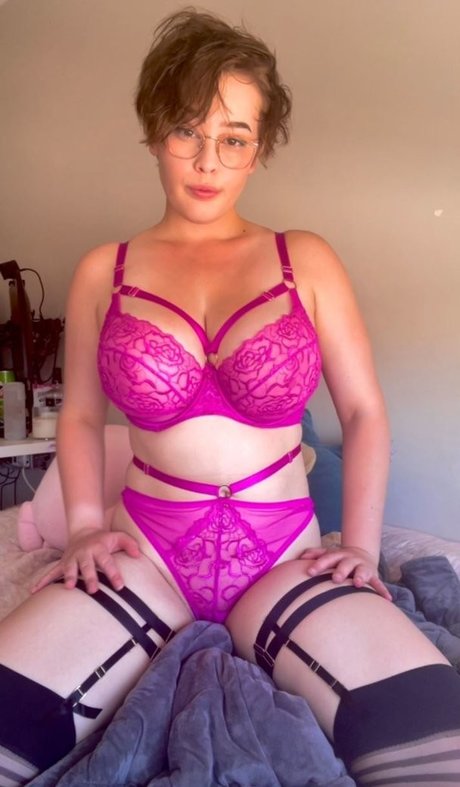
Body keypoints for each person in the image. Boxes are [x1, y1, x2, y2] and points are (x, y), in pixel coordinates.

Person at [1, 9, 460, 786]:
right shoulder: (103, 271)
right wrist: (80, 528)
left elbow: (363, 413)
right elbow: (78, 415)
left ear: (260, 147)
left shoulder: (304, 259)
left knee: (439, 747)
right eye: (187, 130)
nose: (208, 160)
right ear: (154, 131)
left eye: (235, 138)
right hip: (145, 554)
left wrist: (360, 546)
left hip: (285, 554)